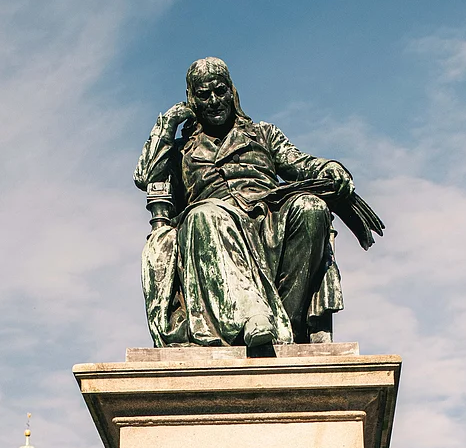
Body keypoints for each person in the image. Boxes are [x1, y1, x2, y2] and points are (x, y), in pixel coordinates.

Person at [134, 57, 383, 351]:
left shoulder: (263, 134)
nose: (214, 101)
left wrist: (329, 167)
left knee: (310, 208)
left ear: (232, 92)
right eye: (204, 95)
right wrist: (167, 126)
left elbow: (299, 163)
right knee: (206, 215)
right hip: (213, 224)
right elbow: (146, 176)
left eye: (220, 91)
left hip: (267, 217)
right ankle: (252, 316)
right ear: (192, 99)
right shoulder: (181, 149)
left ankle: (286, 327)